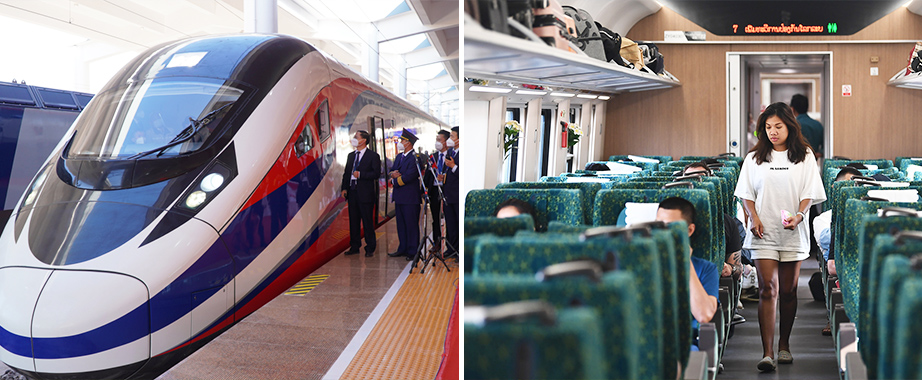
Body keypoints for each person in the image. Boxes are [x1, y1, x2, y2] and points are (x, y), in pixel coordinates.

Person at [734, 102, 826, 372]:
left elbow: (809, 193)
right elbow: (746, 194)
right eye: (768, 127)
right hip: (763, 232)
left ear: (789, 127)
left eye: (778, 127)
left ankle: (784, 345)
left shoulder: (804, 156)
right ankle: (767, 353)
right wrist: (753, 218)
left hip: (793, 231)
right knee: (767, 290)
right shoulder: (754, 158)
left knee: (787, 292)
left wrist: (799, 215)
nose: (772, 132)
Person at [655, 197, 719, 350]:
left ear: (689, 230)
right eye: (658, 226)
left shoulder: (705, 268)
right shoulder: (638, 263)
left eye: (670, 227)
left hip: (682, 344)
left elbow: (704, 315)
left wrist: (684, 261)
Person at [683, 161, 744, 280]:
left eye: (700, 180)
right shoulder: (666, 219)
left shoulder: (726, 222)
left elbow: (738, 269)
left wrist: (730, 269)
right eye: (690, 179)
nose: (695, 185)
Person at [340, 130, 381, 257]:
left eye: (356, 136)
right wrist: (344, 188)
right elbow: (346, 173)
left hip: (366, 194)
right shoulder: (351, 156)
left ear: (363, 140)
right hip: (352, 192)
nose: (354, 138)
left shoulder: (373, 156)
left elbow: (376, 174)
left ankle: (370, 248)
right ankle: (355, 246)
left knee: (367, 221)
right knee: (354, 221)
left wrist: (361, 175)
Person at [388, 129, 422, 261]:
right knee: (401, 224)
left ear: (408, 143)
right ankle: (402, 248)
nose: (400, 142)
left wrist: (395, 180)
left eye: (402, 140)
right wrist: (393, 175)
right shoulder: (399, 157)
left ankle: (413, 251)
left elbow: (410, 175)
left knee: (411, 224)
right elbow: (392, 170)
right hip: (400, 197)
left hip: (410, 198)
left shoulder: (415, 158)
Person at [424, 130, 451, 254]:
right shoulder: (433, 157)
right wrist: (424, 190)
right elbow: (427, 176)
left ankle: (451, 246)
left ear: (446, 141)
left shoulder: (451, 156)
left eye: (439, 140)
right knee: (435, 218)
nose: (437, 142)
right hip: (434, 191)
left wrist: (444, 177)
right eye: (436, 140)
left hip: (447, 190)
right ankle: (437, 243)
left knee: (450, 218)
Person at [441, 126, 460, 258]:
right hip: (448, 195)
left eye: (452, 136)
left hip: (457, 195)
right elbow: (446, 171)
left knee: (458, 223)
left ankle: (459, 250)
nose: (450, 139)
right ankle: (451, 248)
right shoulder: (451, 152)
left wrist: (453, 166)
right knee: (450, 223)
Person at [790, 94, 824, 159]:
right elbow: (824, 147)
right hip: (813, 162)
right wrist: (816, 154)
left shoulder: (793, 126)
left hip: (796, 162)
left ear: (792, 109)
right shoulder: (818, 125)